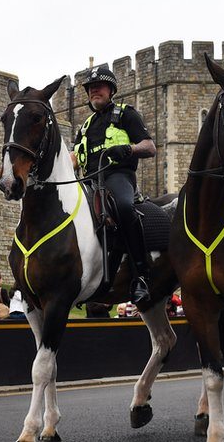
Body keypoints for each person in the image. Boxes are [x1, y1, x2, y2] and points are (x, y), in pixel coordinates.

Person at [71, 66, 157, 302]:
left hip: (117, 176)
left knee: (124, 206)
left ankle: (141, 275)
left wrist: (129, 148)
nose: (94, 90)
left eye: (99, 86)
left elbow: (149, 147)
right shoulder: (85, 127)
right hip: (89, 181)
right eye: (90, 88)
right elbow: (75, 157)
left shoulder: (126, 114)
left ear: (111, 90)